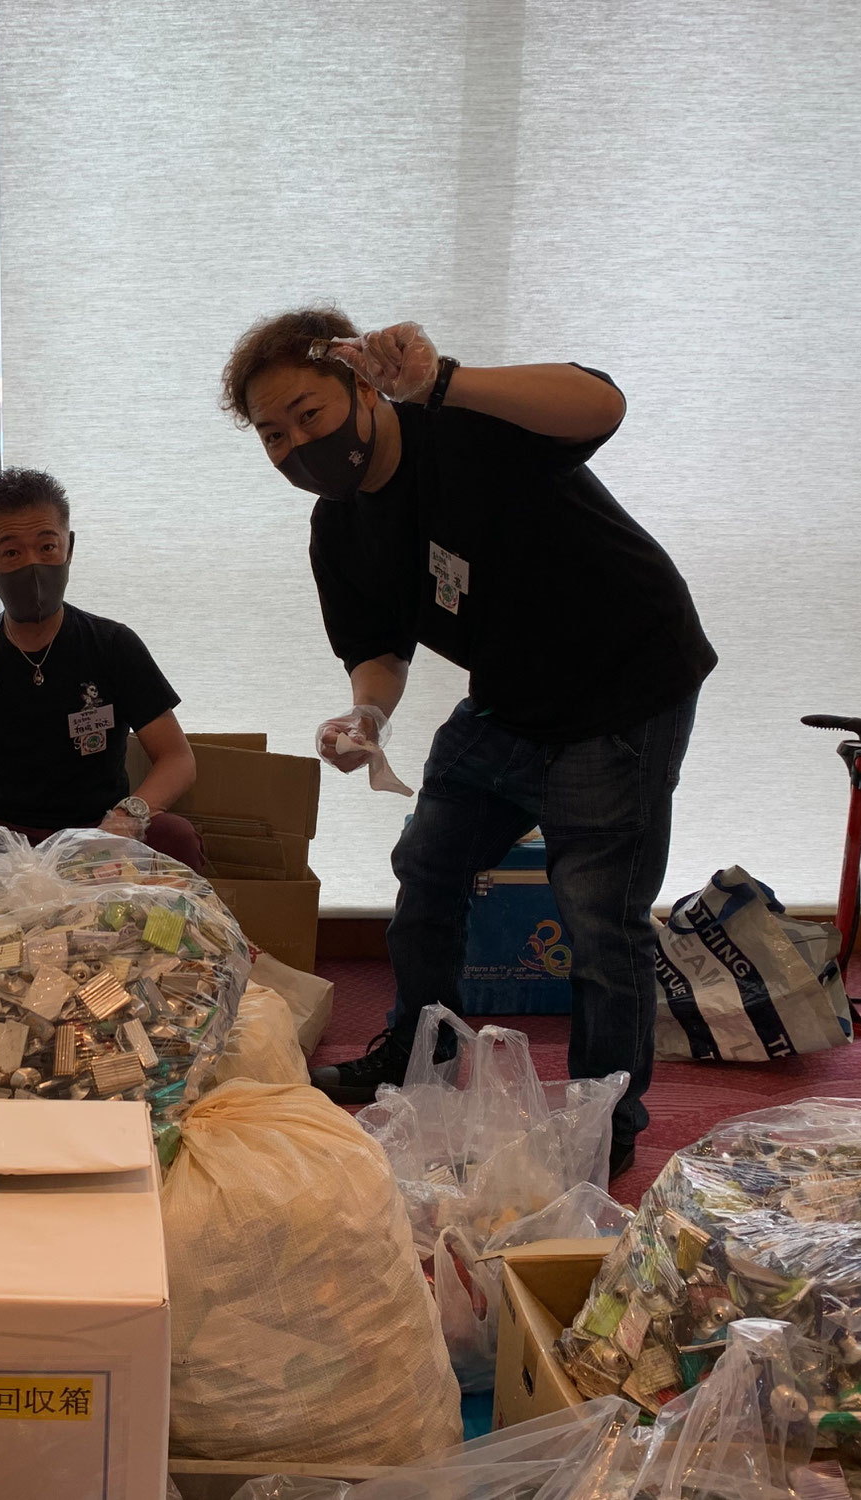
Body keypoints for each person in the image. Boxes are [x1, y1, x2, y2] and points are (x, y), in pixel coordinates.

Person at [221, 309, 716, 1177]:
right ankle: (423, 1050)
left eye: (309, 412)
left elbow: (601, 403)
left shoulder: (460, 427)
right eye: (272, 433)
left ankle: (608, 1115)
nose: (296, 442)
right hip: (511, 699)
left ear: (364, 387)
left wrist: (444, 379)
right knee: (428, 862)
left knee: (600, 918)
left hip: (626, 683)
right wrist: (366, 717)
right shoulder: (338, 526)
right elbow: (378, 651)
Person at [0, 467, 206, 933]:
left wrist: (127, 817)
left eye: (47, 546)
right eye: (10, 552)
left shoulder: (112, 644)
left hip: (97, 835)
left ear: (69, 547)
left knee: (177, 838)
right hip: (0, 838)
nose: (33, 565)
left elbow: (177, 759)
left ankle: (151, 961)